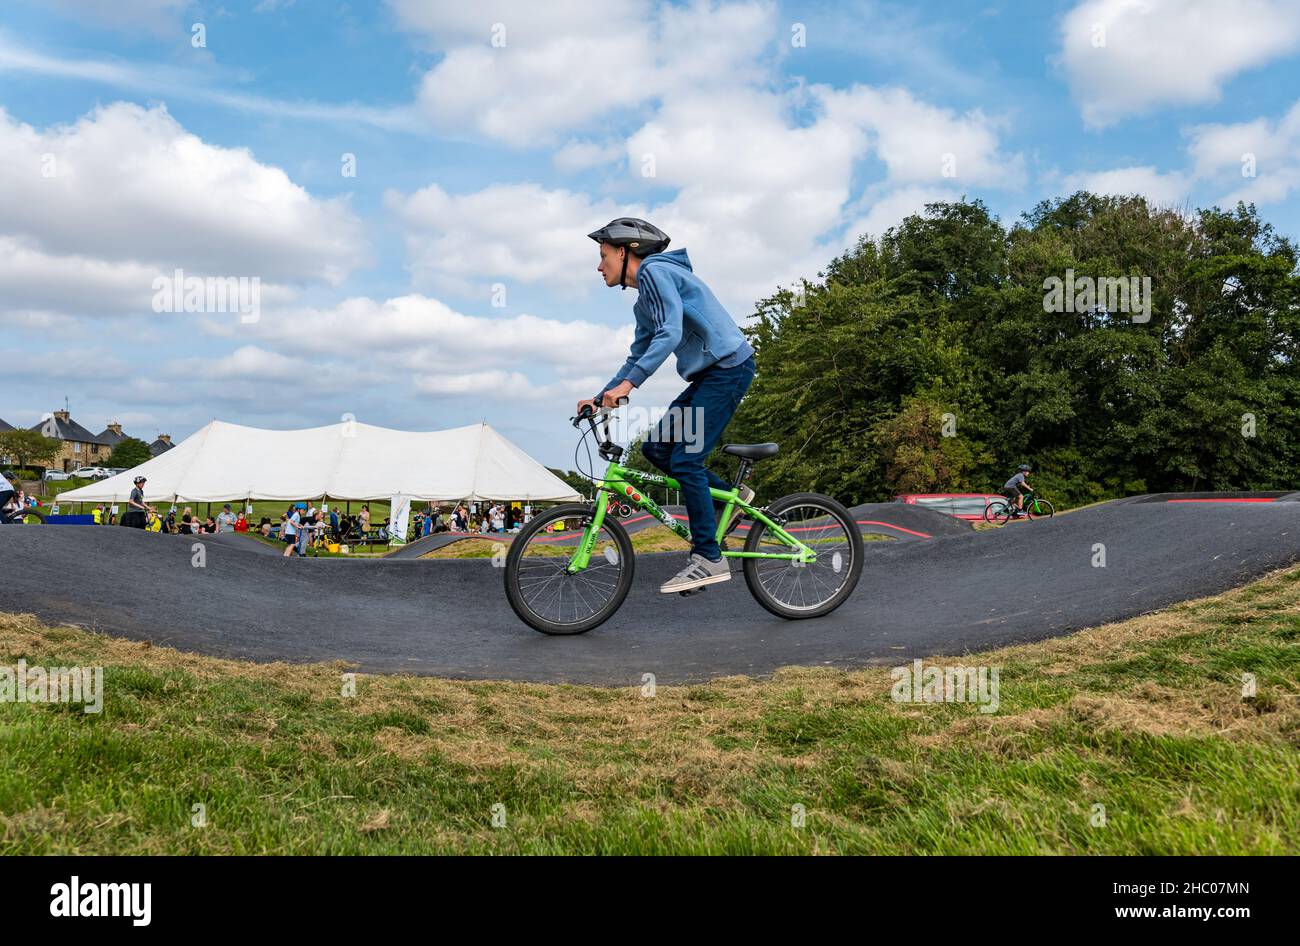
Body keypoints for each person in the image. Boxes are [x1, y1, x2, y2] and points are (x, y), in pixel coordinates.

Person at [578, 217, 756, 594]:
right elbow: (639, 352)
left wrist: (628, 385)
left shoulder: (656, 271)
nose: (599, 266)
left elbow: (670, 332)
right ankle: (731, 499)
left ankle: (709, 557)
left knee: (687, 459)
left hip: (729, 369)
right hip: (708, 376)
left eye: (603, 255)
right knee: (657, 449)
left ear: (625, 252)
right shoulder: (645, 301)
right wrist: (601, 396)